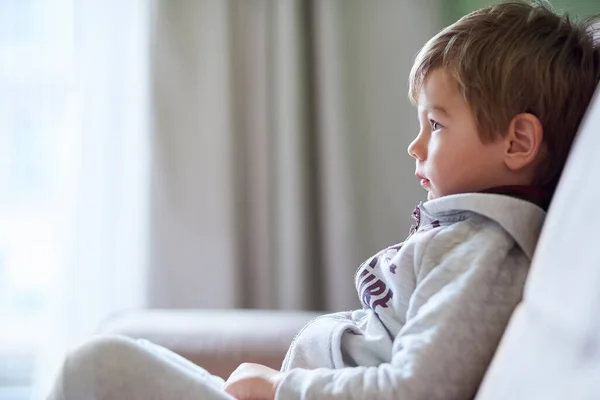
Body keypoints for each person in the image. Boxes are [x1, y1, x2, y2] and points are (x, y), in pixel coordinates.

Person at [47, 2, 600, 399]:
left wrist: (282, 388)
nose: (415, 146)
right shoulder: (464, 240)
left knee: (100, 366)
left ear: (518, 142)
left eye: (435, 124)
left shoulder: (483, 250)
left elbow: (416, 389)